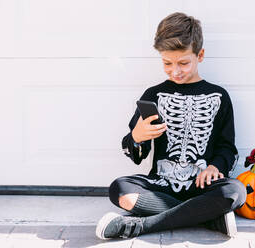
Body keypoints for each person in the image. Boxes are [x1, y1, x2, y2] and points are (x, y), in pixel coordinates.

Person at [95, 12, 246, 240]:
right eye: (167, 63)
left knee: (235, 191)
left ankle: (139, 226)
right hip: (161, 184)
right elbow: (136, 154)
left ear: (200, 55)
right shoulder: (153, 95)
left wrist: (215, 167)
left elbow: (228, 148)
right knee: (120, 189)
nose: (175, 71)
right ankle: (209, 216)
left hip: (203, 185)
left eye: (183, 63)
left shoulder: (219, 96)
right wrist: (136, 136)